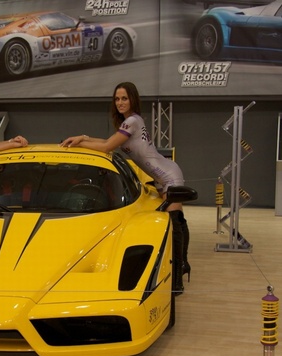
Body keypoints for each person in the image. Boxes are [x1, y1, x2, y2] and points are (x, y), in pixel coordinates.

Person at [60, 81, 191, 295]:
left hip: (169, 176)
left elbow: (106, 147)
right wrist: (83, 137)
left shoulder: (132, 121)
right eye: (117, 99)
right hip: (160, 177)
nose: (120, 102)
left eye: (124, 98)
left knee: (174, 225)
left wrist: (78, 143)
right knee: (176, 223)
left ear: (132, 100)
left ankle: (177, 278)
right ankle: (183, 265)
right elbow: (109, 141)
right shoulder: (129, 123)